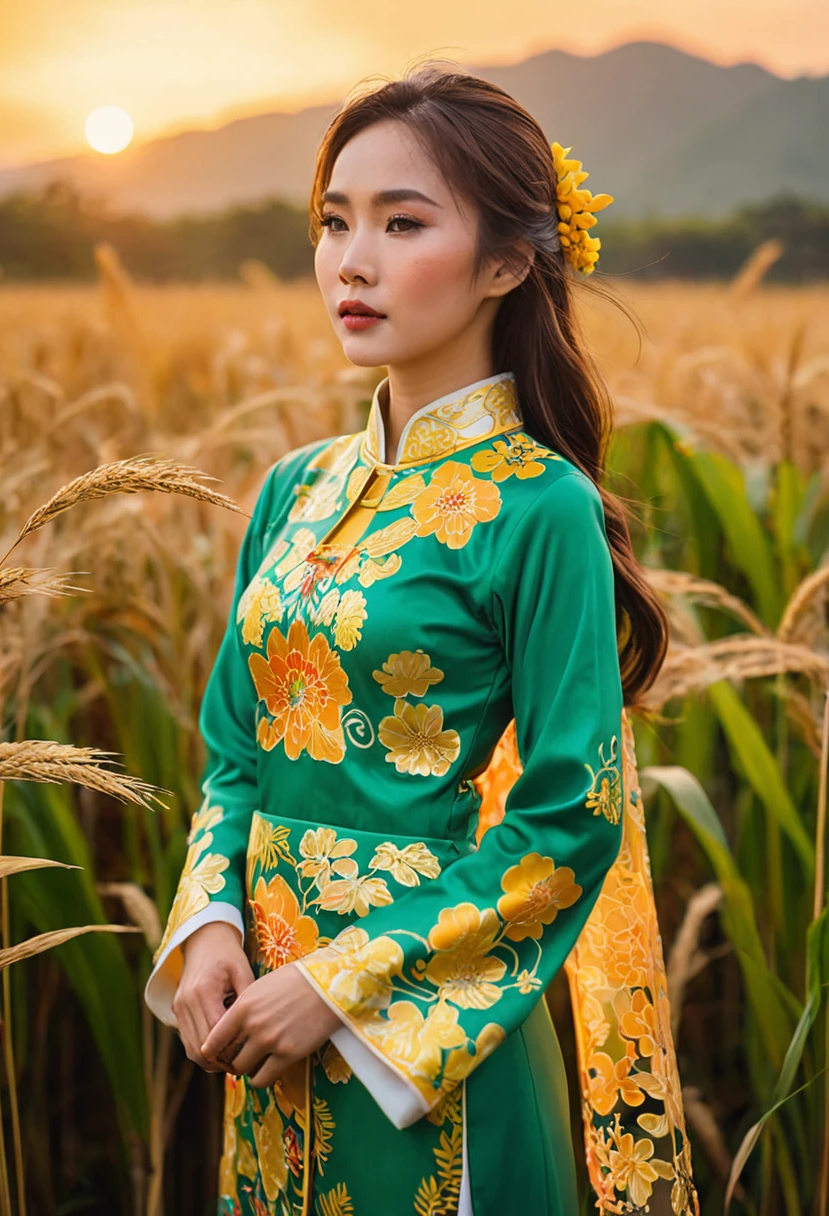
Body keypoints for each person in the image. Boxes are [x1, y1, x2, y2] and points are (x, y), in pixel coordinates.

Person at [144, 61, 699, 1216]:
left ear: (507, 260)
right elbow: (234, 752)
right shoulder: (295, 488)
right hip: (259, 1034)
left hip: (427, 1046)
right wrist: (206, 929)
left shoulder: (540, 508)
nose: (353, 260)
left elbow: (567, 817)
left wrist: (344, 984)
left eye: (403, 224)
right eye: (334, 223)